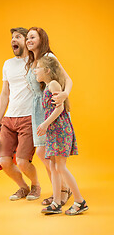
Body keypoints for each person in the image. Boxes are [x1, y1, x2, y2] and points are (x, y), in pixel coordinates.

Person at [35, 56, 89, 215]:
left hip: (60, 130)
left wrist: (45, 124)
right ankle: (56, 202)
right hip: (54, 132)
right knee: (53, 166)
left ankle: (80, 201)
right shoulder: (46, 87)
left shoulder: (53, 84)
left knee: (60, 167)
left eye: (38, 67)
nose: (35, 70)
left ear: (47, 70)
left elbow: (59, 108)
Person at [25, 27, 72, 206]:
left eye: (32, 37)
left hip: (49, 110)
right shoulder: (31, 61)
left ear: (41, 39)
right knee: (45, 153)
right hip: (37, 109)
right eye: (27, 37)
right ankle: (57, 190)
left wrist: (64, 94)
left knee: (46, 153)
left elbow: (68, 80)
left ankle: (63, 189)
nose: (29, 40)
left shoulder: (49, 58)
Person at [0, 27, 41, 201]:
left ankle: (36, 185)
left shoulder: (34, 60)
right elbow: (4, 93)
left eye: (18, 37)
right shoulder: (7, 64)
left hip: (28, 117)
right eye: (12, 37)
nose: (14, 40)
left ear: (26, 41)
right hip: (9, 118)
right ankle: (23, 187)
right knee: (4, 161)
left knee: (22, 161)